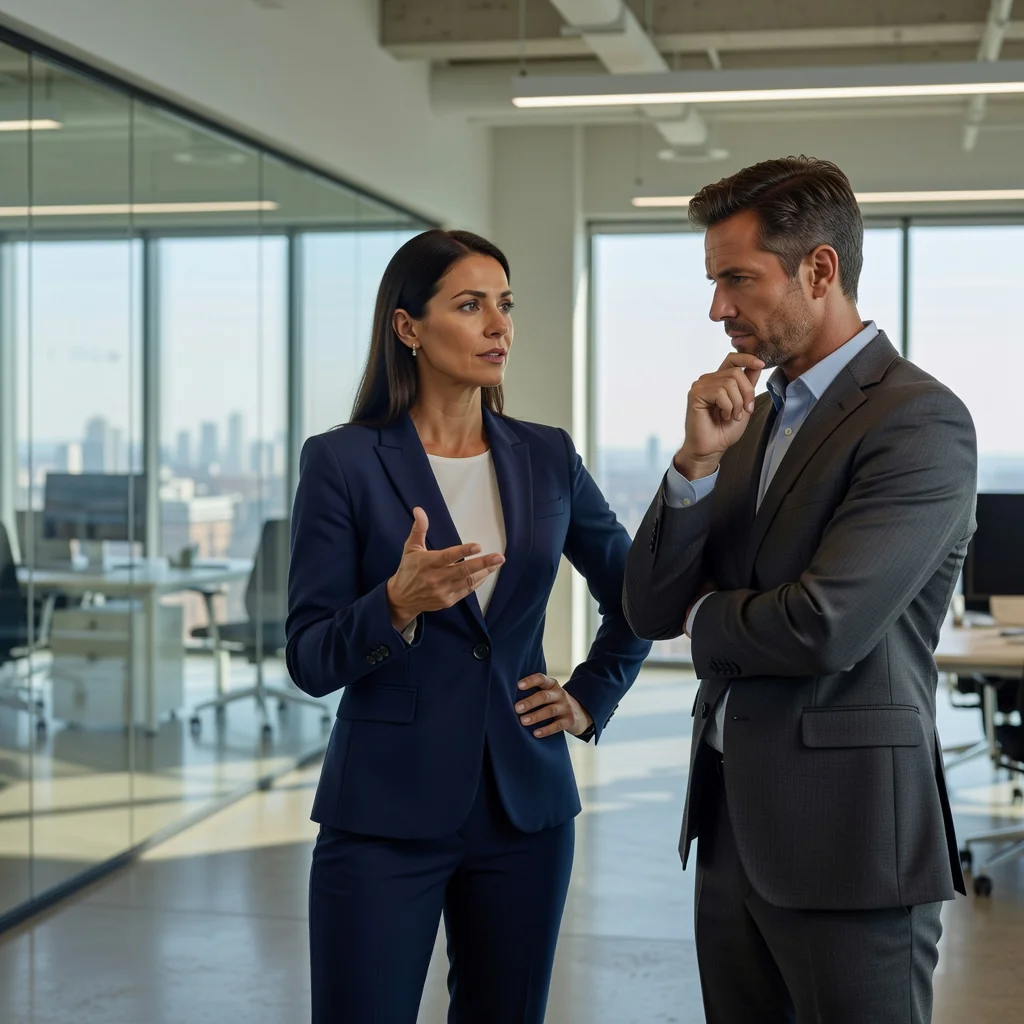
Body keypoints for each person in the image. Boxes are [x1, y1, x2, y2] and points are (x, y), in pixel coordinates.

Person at [623, 157, 977, 1024]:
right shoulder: (747, 414)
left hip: (849, 838)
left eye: (738, 279)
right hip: (731, 826)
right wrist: (695, 463)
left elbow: (826, 626)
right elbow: (646, 608)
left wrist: (705, 616)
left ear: (819, 270)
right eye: (714, 283)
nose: (718, 309)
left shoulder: (918, 419)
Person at [286, 228, 650, 1023]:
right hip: (383, 812)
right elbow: (309, 656)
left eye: (506, 305)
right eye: (470, 304)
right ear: (408, 328)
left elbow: (641, 593)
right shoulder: (342, 462)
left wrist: (592, 695)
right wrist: (395, 605)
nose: (500, 326)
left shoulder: (547, 456)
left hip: (525, 810)